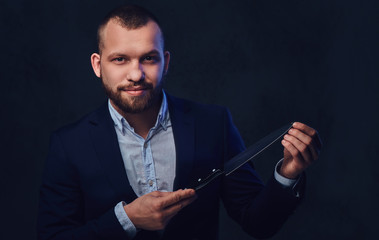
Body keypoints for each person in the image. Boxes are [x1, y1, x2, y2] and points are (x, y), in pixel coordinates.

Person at [37, 4, 322, 240]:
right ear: (98, 65)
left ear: (166, 61)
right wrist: (128, 218)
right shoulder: (68, 145)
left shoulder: (213, 124)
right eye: (120, 59)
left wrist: (288, 172)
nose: (136, 74)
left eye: (148, 58)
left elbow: (258, 223)